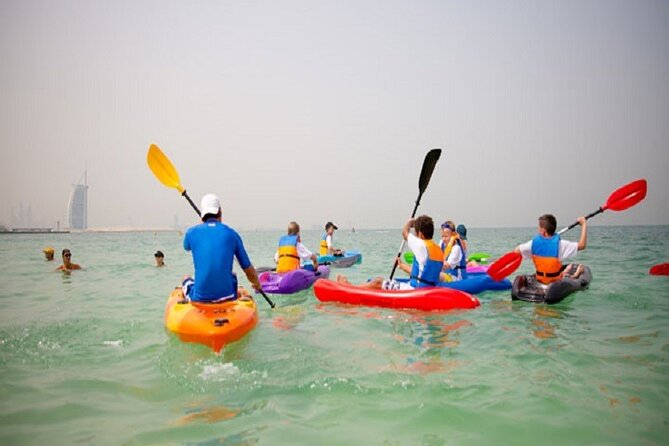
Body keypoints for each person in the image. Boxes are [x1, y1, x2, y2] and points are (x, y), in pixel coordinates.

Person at [182, 193, 262, 303]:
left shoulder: (191, 233)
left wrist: (201, 225)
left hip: (200, 299)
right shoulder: (232, 234)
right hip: (227, 296)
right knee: (233, 275)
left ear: (202, 214)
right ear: (220, 211)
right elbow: (249, 271)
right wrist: (256, 284)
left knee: (186, 277)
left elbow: (186, 247)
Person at [336, 215, 443, 290]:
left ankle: (351, 288)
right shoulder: (438, 249)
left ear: (420, 234)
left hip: (415, 290)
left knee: (378, 281)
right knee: (378, 282)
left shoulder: (421, 245)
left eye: (415, 232)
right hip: (427, 288)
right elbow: (423, 274)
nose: (414, 235)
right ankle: (360, 286)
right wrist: (401, 266)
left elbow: (404, 233)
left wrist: (409, 222)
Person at [514, 214, 587, 284]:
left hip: (544, 281)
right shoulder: (561, 244)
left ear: (543, 232)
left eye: (539, 228)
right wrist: (583, 224)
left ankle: (573, 272)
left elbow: (516, 251)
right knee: (563, 273)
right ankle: (573, 273)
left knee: (563, 273)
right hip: (555, 281)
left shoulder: (532, 244)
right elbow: (582, 245)